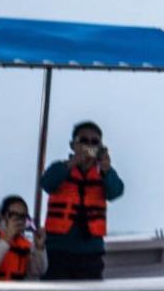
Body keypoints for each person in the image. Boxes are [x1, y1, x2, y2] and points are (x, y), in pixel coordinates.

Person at [41, 120, 123, 281]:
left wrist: (107, 169)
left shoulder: (104, 174)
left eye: (94, 142)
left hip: (90, 252)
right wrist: (72, 163)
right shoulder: (60, 168)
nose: (89, 146)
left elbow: (115, 192)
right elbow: (47, 183)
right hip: (58, 250)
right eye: (84, 141)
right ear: (73, 145)